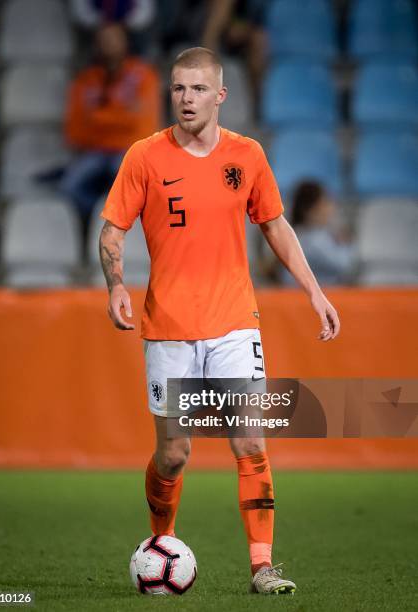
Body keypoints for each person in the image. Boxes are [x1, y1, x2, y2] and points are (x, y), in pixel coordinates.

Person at [99, 47, 340, 595]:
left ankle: (262, 568)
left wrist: (315, 291)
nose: (187, 99)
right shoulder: (144, 157)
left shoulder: (247, 156)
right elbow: (111, 231)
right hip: (170, 327)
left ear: (220, 95)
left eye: (199, 89)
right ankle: (160, 541)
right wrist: (115, 284)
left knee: (250, 441)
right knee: (175, 452)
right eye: (179, 89)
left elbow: (276, 225)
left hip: (235, 321)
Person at [61, 22, 160, 221]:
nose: (109, 44)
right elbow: (75, 129)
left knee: (135, 186)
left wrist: (99, 118)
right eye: (104, 39)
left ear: (126, 42)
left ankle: (122, 225)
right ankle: (99, 219)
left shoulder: (144, 76)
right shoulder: (85, 79)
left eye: (114, 38)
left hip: (129, 150)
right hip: (94, 150)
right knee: (69, 186)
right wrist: (122, 116)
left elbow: (144, 125)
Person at [281, 181, 355, 287]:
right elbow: (345, 265)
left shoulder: (299, 233)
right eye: (325, 204)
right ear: (309, 210)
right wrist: (346, 243)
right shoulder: (313, 240)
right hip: (302, 297)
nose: (330, 208)